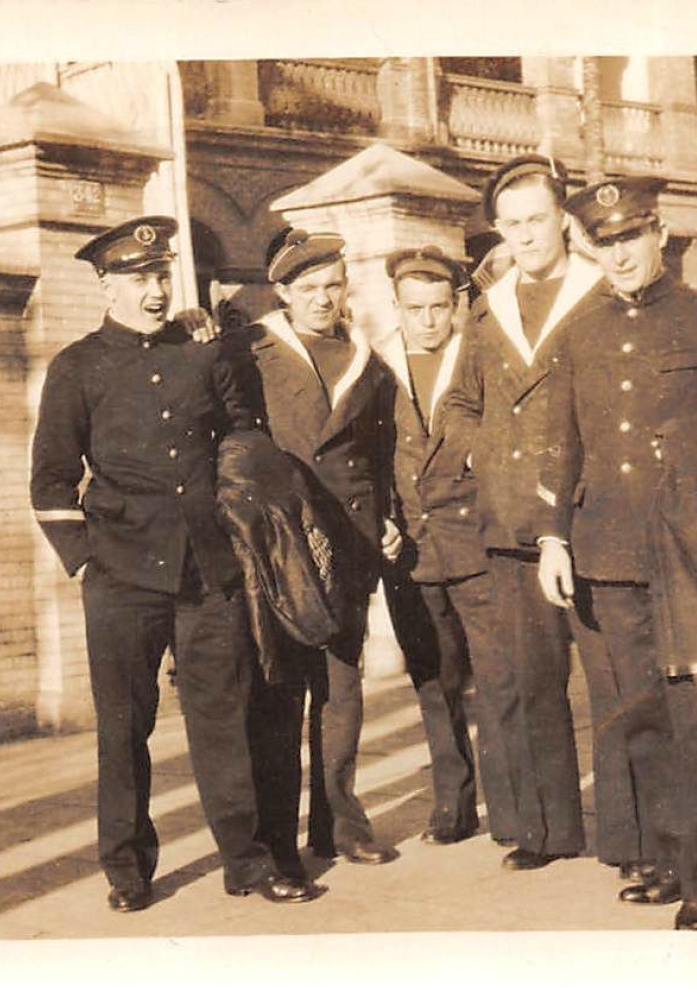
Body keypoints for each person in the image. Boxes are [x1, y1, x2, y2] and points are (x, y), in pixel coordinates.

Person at [29, 216, 318, 912]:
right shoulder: (76, 368)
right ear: (105, 286)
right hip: (123, 578)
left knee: (227, 717)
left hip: (206, 573)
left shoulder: (201, 356)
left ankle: (247, 862)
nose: (154, 291)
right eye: (137, 280)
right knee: (125, 728)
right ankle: (127, 871)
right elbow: (50, 479)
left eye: (161, 276)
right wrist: (87, 558)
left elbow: (243, 432)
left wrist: (243, 512)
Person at [533, 176, 697, 931]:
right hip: (607, 547)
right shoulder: (576, 332)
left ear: (659, 236)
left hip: (693, 552)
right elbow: (561, 439)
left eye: (628, 238)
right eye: (602, 243)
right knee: (636, 713)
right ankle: (664, 858)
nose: (616, 255)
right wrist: (553, 535)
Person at [446, 155, 600, 873]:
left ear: (563, 217)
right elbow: (458, 402)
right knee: (529, 682)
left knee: (616, 684)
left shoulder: (603, 292)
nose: (525, 236)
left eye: (536, 220)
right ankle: (544, 830)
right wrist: (484, 456)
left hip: (596, 514)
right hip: (512, 523)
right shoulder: (488, 306)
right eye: (510, 226)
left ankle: (636, 840)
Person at [236, 228, 401, 871]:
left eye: (333, 286)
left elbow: (385, 454)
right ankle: (275, 835)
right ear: (282, 292)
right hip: (281, 550)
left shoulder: (367, 358)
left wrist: (388, 517)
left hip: (350, 547)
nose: (323, 299)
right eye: (309, 289)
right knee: (279, 694)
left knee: (341, 690)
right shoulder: (250, 352)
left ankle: (339, 824)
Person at [371, 246, 516, 846]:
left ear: (457, 303)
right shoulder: (374, 369)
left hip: (477, 547)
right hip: (410, 553)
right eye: (415, 308)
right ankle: (452, 806)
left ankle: (511, 811)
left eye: (438, 307)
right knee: (434, 682)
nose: (428, 320)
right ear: (397, 308)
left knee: (499, 677)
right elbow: (365, 459)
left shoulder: (480, 358)